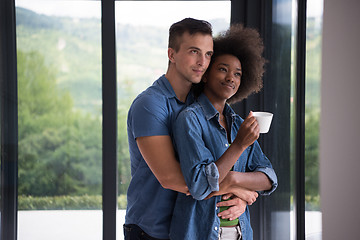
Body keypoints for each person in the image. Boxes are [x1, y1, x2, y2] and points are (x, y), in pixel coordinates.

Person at [124, 18, 247, 240]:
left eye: (208, 54)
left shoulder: (199, 105)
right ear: (171, 54)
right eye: (194, 52)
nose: (202, 62)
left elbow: (216, 166)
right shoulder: (150, 105)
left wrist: (240, 198)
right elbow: (170, 178)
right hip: (150, 231)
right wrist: (236, 187)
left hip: (189, 229)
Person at [169, 24, 278, 240]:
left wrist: (236, 183)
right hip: (199, 233)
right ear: (207, 74)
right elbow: (200, 186)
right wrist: (239, 146)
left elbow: (269, 179)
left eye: (237, 73)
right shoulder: (190, 119)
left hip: (239, 232)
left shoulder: (239, 124)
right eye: (222, 69)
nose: (231, 78)